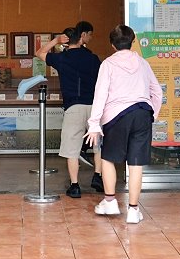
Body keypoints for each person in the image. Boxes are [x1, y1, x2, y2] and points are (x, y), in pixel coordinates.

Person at [84, 25, 163, 224]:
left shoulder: (108, 64)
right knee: (136, 163)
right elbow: (157, 91)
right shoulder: (143, 63)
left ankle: (110, 201)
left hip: (116, 116)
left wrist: (94, 124)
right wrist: (151, 113)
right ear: (133, 41)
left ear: (112, 45)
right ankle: (134, 210)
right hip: (142, 113)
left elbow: (100, 94)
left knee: (109, 158)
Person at [36, 20, 103, 198]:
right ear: (81, 39)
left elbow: (39, 53)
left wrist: (55, 41)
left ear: (66, 41)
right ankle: (98, 176)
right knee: (98, 146)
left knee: (72, 148)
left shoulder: (62, 58)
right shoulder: (93, 58)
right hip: (94, 106)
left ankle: (75, 186)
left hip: (73, 107)